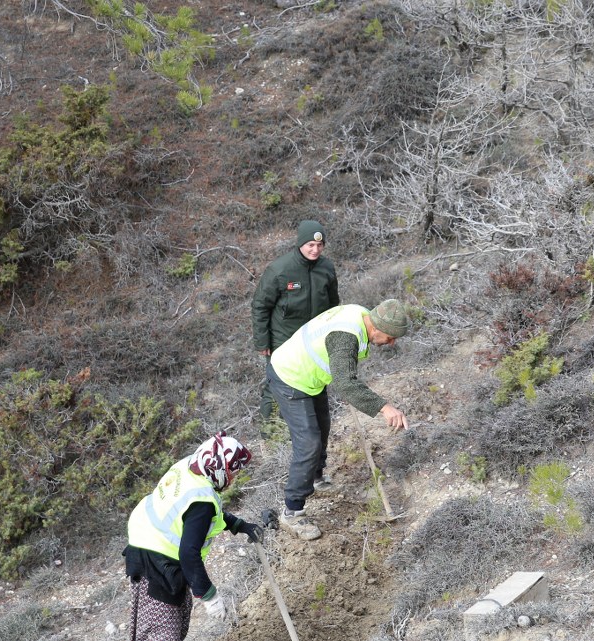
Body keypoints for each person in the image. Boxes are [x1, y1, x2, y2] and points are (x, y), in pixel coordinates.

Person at [266, 299, 410, 540]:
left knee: (322, 429)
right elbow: (345, 382)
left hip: (311, 375)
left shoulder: (362, 314)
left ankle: (317, 478)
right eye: (390, 337)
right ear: (377, 328)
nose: (391, 343)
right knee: (309, 443)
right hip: (290, 376)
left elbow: (343, 371)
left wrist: (345, 376)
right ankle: (292, 511)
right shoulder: (346, 338)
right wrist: (384, 408)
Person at [123, 432, 264, 641]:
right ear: (217, 468)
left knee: (174, 620)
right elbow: (189, 553)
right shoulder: (202, 500)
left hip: (145, 544)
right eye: (231, 473)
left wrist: (239, 525)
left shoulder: (189, 468)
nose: (232, 480)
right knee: (164, 632)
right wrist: (210, 596)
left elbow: (193, 517)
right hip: (157, 562)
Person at [251, 220, 339, 421]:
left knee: (313, 381)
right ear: (300, 243)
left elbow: (334, 305)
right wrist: (262, 341)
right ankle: (270, 433)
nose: (315, 250)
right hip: (283, 339)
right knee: (276, 386)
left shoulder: (327, 268)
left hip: (314, 339)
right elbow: (260, 306)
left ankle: (306, 429)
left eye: (320, 245)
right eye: (310, 245)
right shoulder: (280, 269)